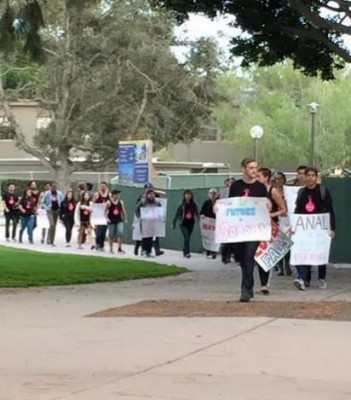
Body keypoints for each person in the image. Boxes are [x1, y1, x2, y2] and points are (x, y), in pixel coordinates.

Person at [229, 157, 268, 303]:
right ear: (243, 169)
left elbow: (264, 205)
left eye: (255, 168)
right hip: (239, 228)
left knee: (249, 256)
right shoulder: (236, 186)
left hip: (255, 228)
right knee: (241, 258)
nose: (254, 171)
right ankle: (249, 285)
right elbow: (230, 204)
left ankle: (245, 289)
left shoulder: (260, 187)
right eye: (251, 168)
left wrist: (268, 206)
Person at [293, 167, 335, 291]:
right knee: (304, 252)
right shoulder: (301, 192)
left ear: (316, 177)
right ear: (305, 177)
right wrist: (294, 226)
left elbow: (330, 210)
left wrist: (332, 228)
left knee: (320, 252)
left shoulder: (323, 191)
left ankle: (321, 278)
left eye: (313, 175)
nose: (310, 177)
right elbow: (297, 210)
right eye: (308, 175)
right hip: (305, 227)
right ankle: (304, 279)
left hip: (320, 228)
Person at [257, 168, 287, 294]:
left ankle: (265, 283)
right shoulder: (255, 191)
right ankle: (261, 282)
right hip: (255, 226)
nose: (256, 178)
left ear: (266, 177)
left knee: (264, 254)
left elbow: (283, 210)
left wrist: (271, 214)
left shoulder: (272, 191)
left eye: (259, 176)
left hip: (270, 226)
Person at [273, 171, 292, 276]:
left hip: (287, 218)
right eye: (276, 178)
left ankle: (287, 265)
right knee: (278, 244)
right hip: (277, 218)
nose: (278, 180)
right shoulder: (273, 191)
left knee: (287, 243)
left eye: (280, 178)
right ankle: (280, 268)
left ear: (284, 179)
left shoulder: (288, 191)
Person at [135, 188, 162, 258]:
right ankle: (143, 250)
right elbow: (136, 209)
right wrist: (139, 217)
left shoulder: (157, 203)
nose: (151, 196)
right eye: (149, 194)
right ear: (147, 195)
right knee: (145, 237)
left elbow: (160, 212)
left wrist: (159, 218)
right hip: (144, 222)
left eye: (152, 194)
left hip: (153, 223)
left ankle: (149, 252)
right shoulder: (143, 202)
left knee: (151, 237)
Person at [172, 190, 199, 258]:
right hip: (183, 223)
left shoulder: (193, 204)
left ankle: (185, 251)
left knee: (188, 238)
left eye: (189, 194)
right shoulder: (181, 204)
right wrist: (173, 223)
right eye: (187, 194)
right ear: (184, 195)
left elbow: (196, 213)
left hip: (191, 223)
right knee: (186, 237)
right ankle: (187, 252)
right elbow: (177, 215)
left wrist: (200, 218)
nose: (188, 196)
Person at [105, 189, 128, 254]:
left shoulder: (121, 202)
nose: (118, 196)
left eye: (118, 194)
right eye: (116, 194)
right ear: (113, 195)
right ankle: (111, 248)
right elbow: (104, 212)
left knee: (120, 232)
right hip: (111, 220)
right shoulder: (108, 202)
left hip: (119, 219)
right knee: (111, 234)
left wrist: (125, 218)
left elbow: (123, 211)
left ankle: (119, 248)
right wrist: (106, 218)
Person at [41, 182, 64, 246]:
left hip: (56, 211)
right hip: (50, 211)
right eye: (53, 186)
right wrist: (46, 207)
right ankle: (49, 239)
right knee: (52, 224)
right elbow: (42, 202)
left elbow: (62, 202)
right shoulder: (47, 193)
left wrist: (61, 209)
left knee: (54, 226)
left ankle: (52, 240)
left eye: (55, 187)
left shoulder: (59, 194)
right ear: (51, 187)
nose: (54, 188)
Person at [200, 188, 219, 259]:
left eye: (214, 194)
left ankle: (214, 252)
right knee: (208, 237)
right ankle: (208, 252)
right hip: (208, 222)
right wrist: (203, 215)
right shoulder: (206, 203)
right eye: (211, 194)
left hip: (216, 221)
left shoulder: (219, 202)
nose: (213, 195)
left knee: (215, 238)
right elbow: (202, 211)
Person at [93, 182, 110, 251]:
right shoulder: (97, 194)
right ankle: (97, 243)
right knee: (98, 231)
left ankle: (102, 245)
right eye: (101, 186)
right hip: (98, 214)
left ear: (106, 187)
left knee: (103, 231)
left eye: (104, 186)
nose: (102, 187)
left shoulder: (109, 195)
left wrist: (108, 204)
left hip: (105, 214)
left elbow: (111, 204)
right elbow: (93, 204)